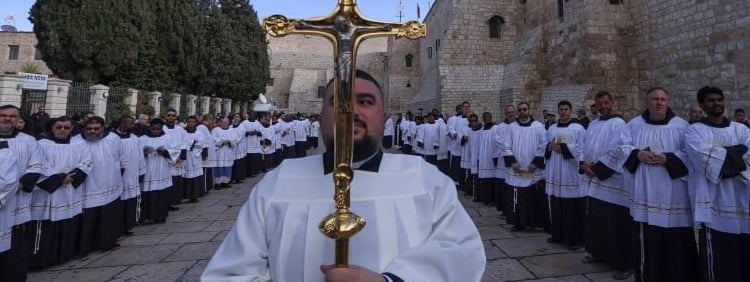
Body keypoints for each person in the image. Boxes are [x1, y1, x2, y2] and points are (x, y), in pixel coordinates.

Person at [202, 69, 486, 281]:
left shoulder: (424, 179)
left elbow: (463, 253)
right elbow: (230, 272)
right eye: (337, 102)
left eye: (365, 101)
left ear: (385, 116)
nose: (350, 111)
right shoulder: (278, 182)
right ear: (321, 115)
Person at [621, 88, 697, 282]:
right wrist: (637, 154)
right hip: (645, 195)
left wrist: (668, 159)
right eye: (655, 99)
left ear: (668, 101)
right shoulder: (633, 125)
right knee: (649, 242)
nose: (659, 103)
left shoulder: (682, 126)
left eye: (663, 99)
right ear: (647, 102)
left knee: (677, 243)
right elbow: (621, 148)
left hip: (675, 196)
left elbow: (692, 156)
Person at [685, 86, 750, 282]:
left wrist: (724, 156)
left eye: (719, 100)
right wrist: (737, 152)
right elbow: (703, 159)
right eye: (711, 100)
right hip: (713, 201)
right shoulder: (694, 131)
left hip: (742, 199)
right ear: (702, 104)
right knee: (719, 255)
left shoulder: (740, 129)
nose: (716, 104)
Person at [580, 91, 633, 280]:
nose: (603, 106)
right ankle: (599, 253)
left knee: (616, 223)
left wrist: (598, 168)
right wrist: (583, 164)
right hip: (594, 179)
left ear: (612, 103)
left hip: (612, 181)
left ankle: (624, 263)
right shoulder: (593, 124)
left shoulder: (618, 124)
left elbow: (618, 149)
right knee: (597, 220)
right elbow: (583, 145)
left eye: (605, 102)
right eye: (599, 103)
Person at [30, 116, 92, 268]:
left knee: (67, 224)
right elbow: (37, 165)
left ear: (71, 129)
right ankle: (42, 260)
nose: (62, 130)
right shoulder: (40, 145)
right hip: (46, 195)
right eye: (59, 127)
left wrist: (70, 177)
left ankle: (64, 256)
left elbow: (87, 162)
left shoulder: (79, 145)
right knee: (46, 226)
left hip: (69, 191)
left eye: (66, 127)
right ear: (52, 128)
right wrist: (59, 179)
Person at [0, 104, 44, 282]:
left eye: (12, 116)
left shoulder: (29, 141)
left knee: (14, 246)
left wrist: (13, 188)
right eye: (3, 115)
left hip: (18, 200)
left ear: (19, 120)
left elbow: (36, 166)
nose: (7, 119)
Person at [73, 116, 125, 256]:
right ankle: (85, 247)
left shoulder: (113, 138)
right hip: (89, 186)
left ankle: (108, 242)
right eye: (89, 129)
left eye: (96, 128)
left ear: (103, 128)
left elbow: (120, 157)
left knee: (108, 217)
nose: (93, 131)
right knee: (89, 219)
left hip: (110, 183)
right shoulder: (76, 141)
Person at [545, 100, 586, 248]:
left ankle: (575, 239)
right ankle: (557, 234)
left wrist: (563, 148)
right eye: (561, 109)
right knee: (557, 205)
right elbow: (545, 143)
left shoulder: (579, 128)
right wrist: (549, 146)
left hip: (570, 172)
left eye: (566, 109)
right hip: (555, 171)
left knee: (571, 207)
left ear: (571, 111)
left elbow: (582, 148)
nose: (563, 112)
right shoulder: (552, 128)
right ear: (558, 111)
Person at [502, 102, 548, 232]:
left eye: (525, 109)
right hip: (517, 168)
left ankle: (534, 223)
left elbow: (543, 145)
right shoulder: (512, 127)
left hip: (531, 168)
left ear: (529, 110)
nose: (522, 111)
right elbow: (505, 145)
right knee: (518, 197)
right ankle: (519, 223)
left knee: (532, 196)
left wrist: (535, 163)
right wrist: (513, 162)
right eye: (520, 110)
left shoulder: (538, 126)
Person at [140, 118, 179, 223]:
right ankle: (145, 216)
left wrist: (165, 152)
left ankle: (160, 216)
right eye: (153, 129)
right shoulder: (143, 138)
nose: (155, 131)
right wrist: (144, 152)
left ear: (161, 128)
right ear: (150, 128)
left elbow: (175, 151)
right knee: (146, 192)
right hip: (148, 168)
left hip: (162, 169)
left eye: (158, 129)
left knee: (161, 193)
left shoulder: (167, 138)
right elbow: (137, 153)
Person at [113, 115, 145, 236]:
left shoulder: (135, 138)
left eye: (132, 123)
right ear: (121, 123)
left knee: (130, 202)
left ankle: (128, 225)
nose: (132, 126)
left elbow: (140, 156)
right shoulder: (113, 138)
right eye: (129, 123)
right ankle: (118, 227)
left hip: (131, 174)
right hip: (117, 175)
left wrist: (141, 172)